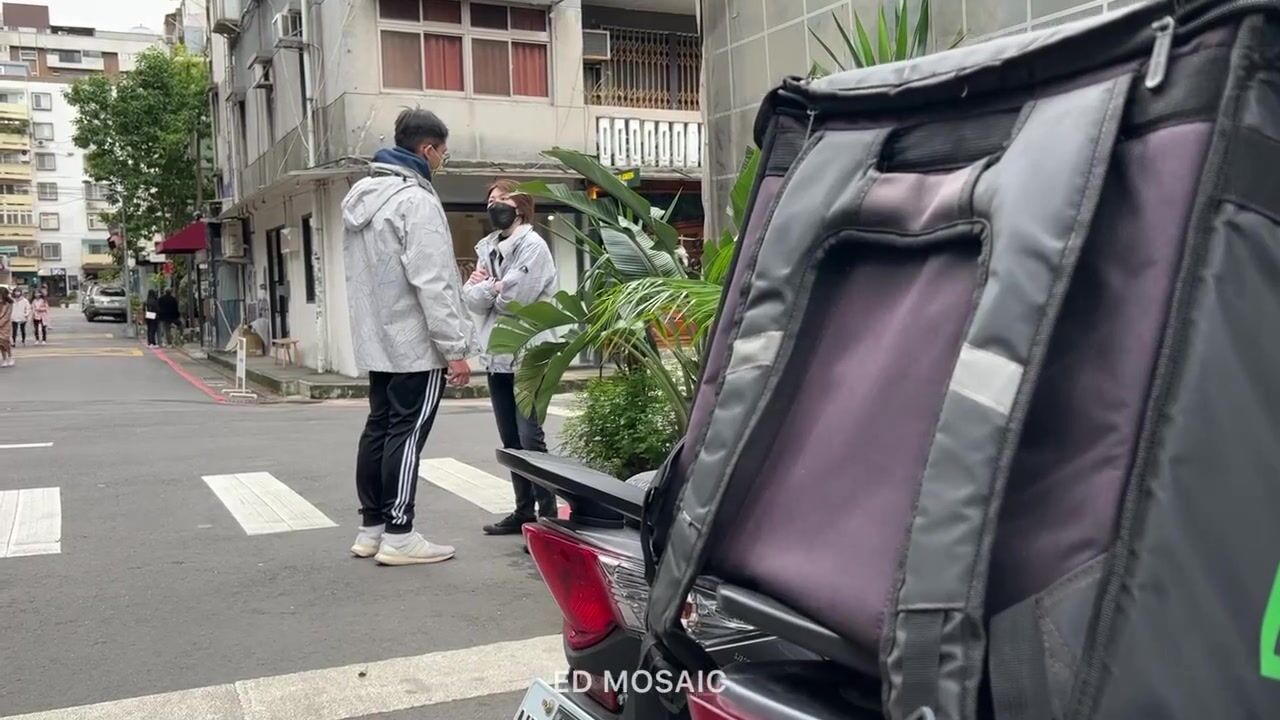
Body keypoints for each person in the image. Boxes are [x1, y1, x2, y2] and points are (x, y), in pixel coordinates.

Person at [341, 108, 477, 566]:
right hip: (417, 342)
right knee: (407, 433)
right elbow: (433, 280)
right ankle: (400, 533)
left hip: (377, 338)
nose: (442, 161)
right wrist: (454, 348)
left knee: (379, 428)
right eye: (443, 153)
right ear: (427, 149)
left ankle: (372, 529)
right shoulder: (415, 200)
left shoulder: (362, 196)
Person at [464, 179, 560, 535]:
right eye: (491, 199)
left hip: (529, 350)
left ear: (520, 207)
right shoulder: (488, 246)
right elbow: (470, 298)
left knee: (529, 436)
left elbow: (514, 300)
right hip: (497, 353)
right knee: (510, 439)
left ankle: (548, 517)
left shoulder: (533, 246)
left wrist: (487, 286)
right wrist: (493, 286)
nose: (495, 205)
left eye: (503, 198)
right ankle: (523, 512)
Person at [0, 287, 12, 368]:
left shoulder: (8, 304)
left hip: (5, 325)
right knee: (0, 344)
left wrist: (0, 323)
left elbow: (7, 316)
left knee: (5, 342)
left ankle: (10, 357)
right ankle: (4, 359)